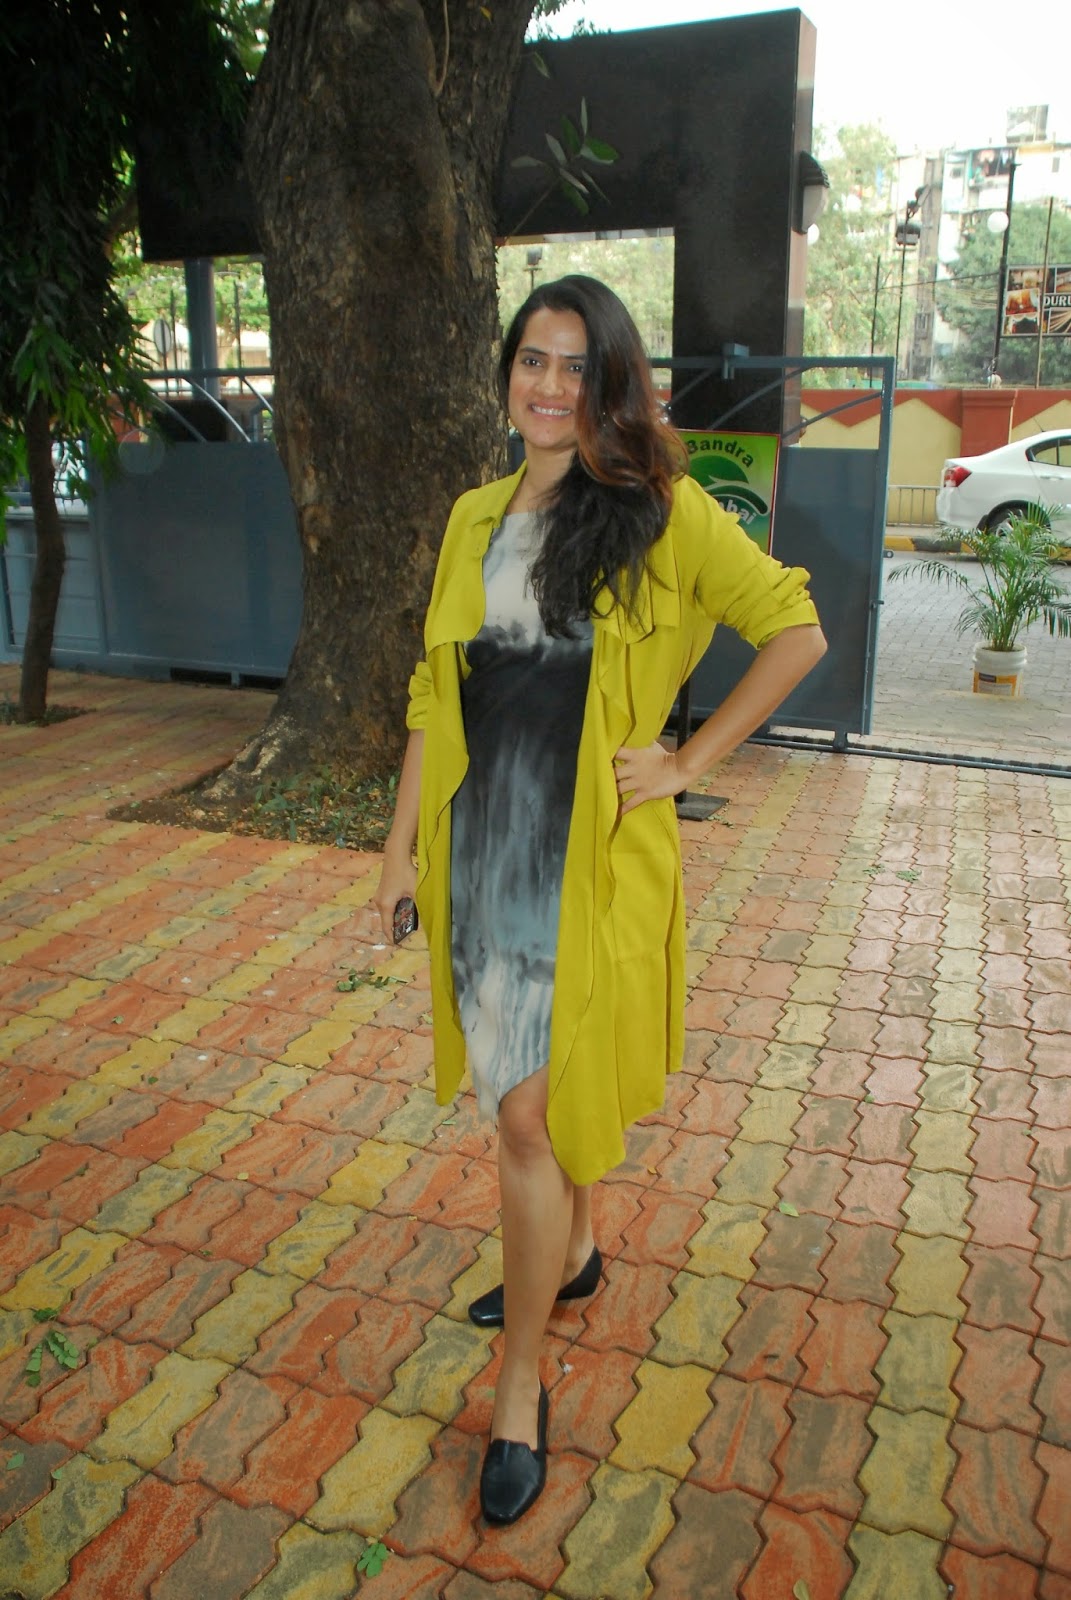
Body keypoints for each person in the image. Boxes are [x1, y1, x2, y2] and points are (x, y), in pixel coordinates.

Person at [374, 275, 827, 1525]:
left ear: (611, 385)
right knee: (527, 1099)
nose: (552, 386)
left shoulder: (657, 513)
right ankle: (570, 1255)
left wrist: (687, 762)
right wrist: (399, 849)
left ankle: (520, 1387)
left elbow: (794, 629)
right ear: (508, 372)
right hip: (483, 851)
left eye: (579, 367)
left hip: (585, 865)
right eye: (535, 359)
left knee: (526, 1116)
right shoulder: (473, 516)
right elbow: (433, 692)